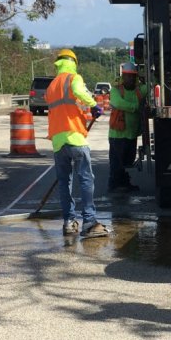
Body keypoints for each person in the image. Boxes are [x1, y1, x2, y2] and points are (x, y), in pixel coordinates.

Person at [45, 48, 108, 238]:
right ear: (73, 62)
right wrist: (94, 105)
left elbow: (64, 107)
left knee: (65, 182)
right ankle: (89, 221)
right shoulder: (74, 78)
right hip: (75, 136)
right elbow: (78, 92)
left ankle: (69, 222)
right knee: (86, 178)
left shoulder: (51, 86)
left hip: (58, 140)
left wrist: (87, 110)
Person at [107, 62, 149, 194]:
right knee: (116, 162)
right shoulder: (115, 90)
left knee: (127, 162)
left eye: (132, 76)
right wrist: (135, 107)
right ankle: (113, 185)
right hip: (117, 135)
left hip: (131, 134)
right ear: (123, 76)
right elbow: (118, 103)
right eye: (127, 76)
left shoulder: (139, 90)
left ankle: (124, 183)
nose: (130, 78)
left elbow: (151, 85)